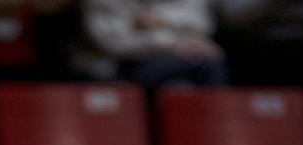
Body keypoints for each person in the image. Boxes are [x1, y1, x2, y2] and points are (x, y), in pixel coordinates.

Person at [77, 0, 229, 89]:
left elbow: (203, 23)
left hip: (178, 60)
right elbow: (115, 44)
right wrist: (172, 43)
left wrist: (163, 18)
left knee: (179, 86)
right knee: (209, 62)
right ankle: (222, 128)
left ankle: (218, 130)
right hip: (121, 68)